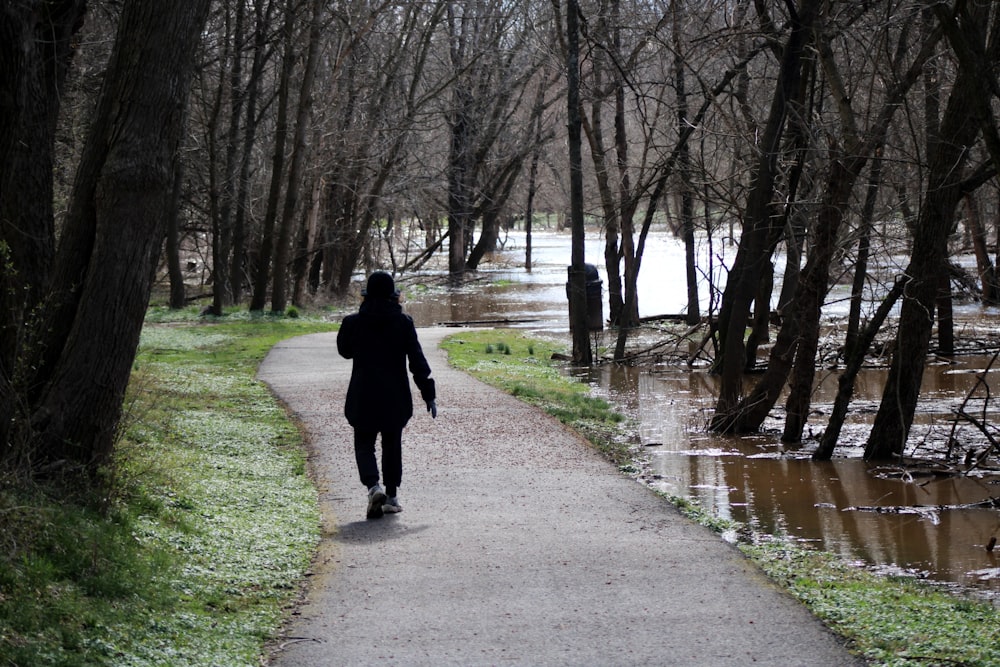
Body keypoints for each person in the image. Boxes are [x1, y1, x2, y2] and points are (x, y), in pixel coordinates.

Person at [337, 271, 437, 519]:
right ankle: (391, 497)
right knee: (392, 445)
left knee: (364, 443)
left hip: (363, 394)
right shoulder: (404, 322)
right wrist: (428, 394)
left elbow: (345, 351)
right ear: (394, 296)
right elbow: (417, 361)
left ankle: (373, 487)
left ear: (366, 296)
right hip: (395, 396)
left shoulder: (353, 323)